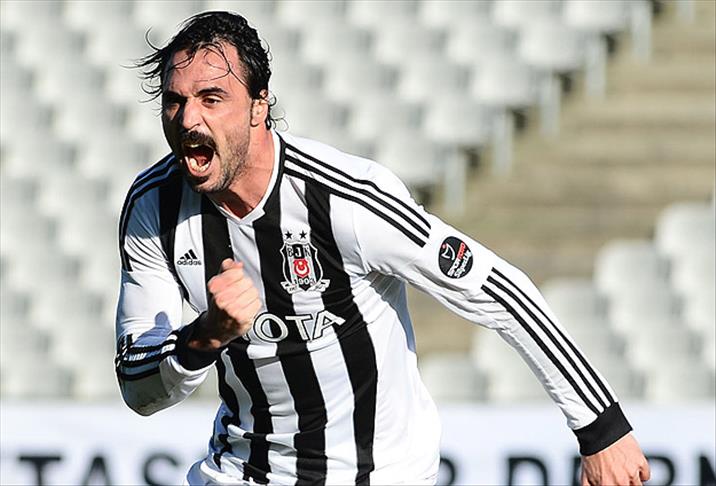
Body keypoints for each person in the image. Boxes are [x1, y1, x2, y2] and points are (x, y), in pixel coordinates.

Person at [115, 10, 651, 486]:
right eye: (175, 101)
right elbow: (139, 389)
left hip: (377, 474)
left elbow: (498, 290)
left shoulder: (345, 199)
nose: (189, 119)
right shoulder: (153, 208)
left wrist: (601, 428)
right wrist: (204, 337)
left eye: (212, 99)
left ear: (259, 106)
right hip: (242, 473)